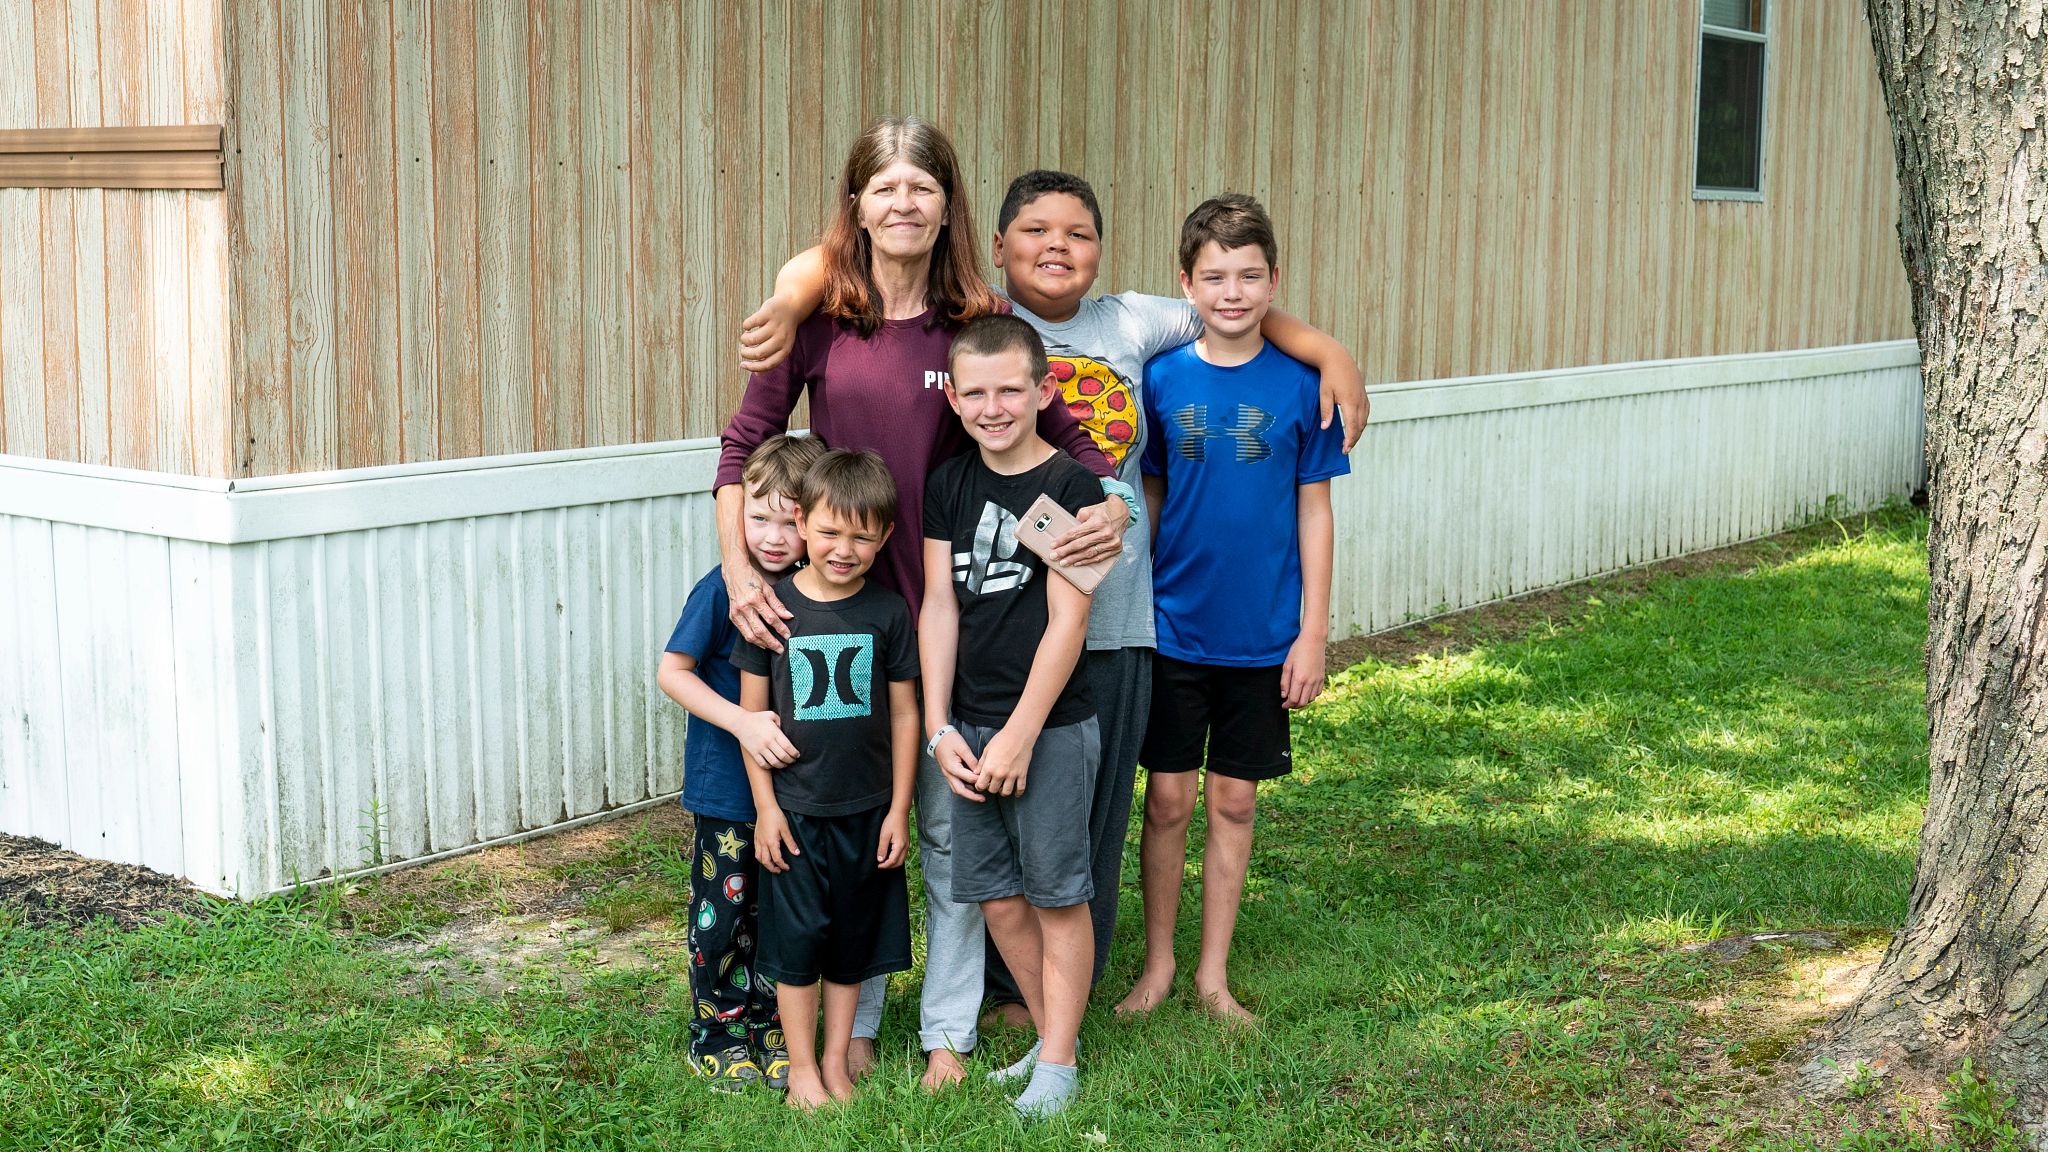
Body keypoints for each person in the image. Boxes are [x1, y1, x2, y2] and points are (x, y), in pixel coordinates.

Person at [738, 170, 1370, 1030]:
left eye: (1078, 232)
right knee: (985, 827)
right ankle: (1004, 997)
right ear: (997, 249)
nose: (1057, 247)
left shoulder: (1134, 322)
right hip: (997, 623)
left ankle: (1072, 989)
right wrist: (788, 294)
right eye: (1035, 231)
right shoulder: (976, 315)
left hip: (1116, 617)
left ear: (1102, 249)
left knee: (1084, 819)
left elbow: (1234, 306)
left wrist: (1330, 353)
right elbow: (854, 255)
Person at [712, 116, 1130, 1089]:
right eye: (885, 186)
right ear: (856, 204)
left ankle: (949, 1029)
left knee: (946, 840)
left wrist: (1111, 507)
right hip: (839, 620)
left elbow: (1069, 436)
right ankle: (853, 1022)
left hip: (954, 622)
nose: (904, 202)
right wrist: (740, 571)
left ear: (948, 206)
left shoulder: (979, 319)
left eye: (923, 186)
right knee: (854, 834)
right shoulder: (818, 319)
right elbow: (742, 446)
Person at [1116, 194, 1349, 1024]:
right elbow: (1149, 494)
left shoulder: (1305, 385)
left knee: (1235, 802)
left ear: (1274, 280)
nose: (1233, 292)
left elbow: (1315, 512)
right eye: (1214, 277)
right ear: (1186, 284)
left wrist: (1313, 633)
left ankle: (1213, 976)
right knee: (1168, 802)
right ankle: (1159, 965)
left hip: (1262, 638)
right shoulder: (1160, 379)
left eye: (1249, 276)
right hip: (1174, 628)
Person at [919, 315, 1099, 1118]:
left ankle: (1058, 1063)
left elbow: (1068, 622)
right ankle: (1052, 1035)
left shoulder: (1071, 487)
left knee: (1056, 895)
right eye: (976, 393)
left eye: (1009, 391)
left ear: (1043, 390)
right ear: (953, 399)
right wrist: (939, 726)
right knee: (995, 896)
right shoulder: (948, 484)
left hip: (1048, 729)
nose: (993, 408)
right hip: (968, 727)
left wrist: (1022, 733)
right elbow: (938, 606)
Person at [735, 449, 920, 1109]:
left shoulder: (890, 613)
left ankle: (838, 1062)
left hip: (868, 811)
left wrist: (899, 809)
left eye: (861, 537)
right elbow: (753, 719)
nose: (844, 549)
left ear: (885, 537)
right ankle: (803, 1069)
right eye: (830, 532)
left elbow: (906, 715)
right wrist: (766, 809)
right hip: (794, 812)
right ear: (802, 524)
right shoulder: (771, 610)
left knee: (851, 944)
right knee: (798, 945)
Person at [656, 433, 824, 1092]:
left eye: (791, 521)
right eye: (759, 518)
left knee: (779, 913)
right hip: (728, 790)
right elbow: (673, 672)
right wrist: (742, 723)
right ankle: (717, 1032)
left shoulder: (819, 590)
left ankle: (772, 1026)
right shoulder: (725, 589)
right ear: (737, 515)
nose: (774, 537)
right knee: (724, 914)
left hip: (798, 791)